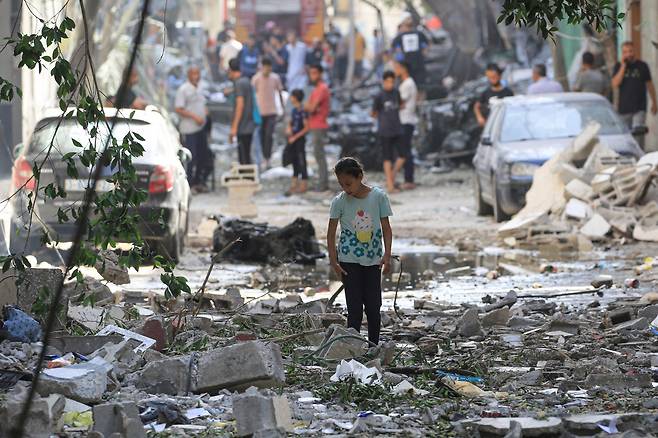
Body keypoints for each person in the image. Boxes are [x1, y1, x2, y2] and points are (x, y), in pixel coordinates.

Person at [327, 157, 393, 345]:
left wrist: (387, 255)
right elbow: (331, 234)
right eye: (341, 184)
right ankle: (352, 347)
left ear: (360, 176)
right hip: (348, 261)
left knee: (373, 306)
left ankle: (373, 345)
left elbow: (386, 229)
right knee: (354, 307)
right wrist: (334, 261)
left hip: (373, 260)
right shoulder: (339, 202)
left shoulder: (378, 197)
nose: (345, 188)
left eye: (348, 183)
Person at [612, 41, 657, 138]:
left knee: (638, 135)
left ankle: (640, 153)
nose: (628, 54)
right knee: (626, 137)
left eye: (630, 51)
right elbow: (615, 84)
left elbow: (650, 85)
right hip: (624, 109)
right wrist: (623, 66)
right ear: (622, 54)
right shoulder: (618, 66)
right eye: (625, 52)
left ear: (634, 51)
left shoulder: (642, 66)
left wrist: (654, 102)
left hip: (639, 107)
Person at [175, 66, 209, 188]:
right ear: (189, 75)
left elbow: (203, 103)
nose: (196, 76)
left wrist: (204, 112)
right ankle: (187, 184)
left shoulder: (201, 87)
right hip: (188, 129)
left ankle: (197, 182)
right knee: (190, 157)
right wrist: (194, 116)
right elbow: (178, 108)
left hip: (200, 128)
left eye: (197, 74)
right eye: (193, 74)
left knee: (202, 155)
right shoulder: (183, 90)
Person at [372, 71, 404, 193]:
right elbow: (373, 113)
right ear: (383, 81)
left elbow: (401, 104)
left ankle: (391, 177)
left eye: (392, 81)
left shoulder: (396, 93)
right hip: (385, 130)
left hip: (397, 128)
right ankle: (390, 185)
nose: (390, 84)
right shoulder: (379, 96)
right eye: (388, 81)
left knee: (402, 155)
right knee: (387, 157)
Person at [252, 58, 285, 170]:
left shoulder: (275, 78)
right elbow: (252, 94)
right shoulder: (256, 78)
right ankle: (263, 158)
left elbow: (280, 93)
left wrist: (283, 108)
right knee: (261, 136)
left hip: (272, 112)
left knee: (269, 135)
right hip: (260, 112)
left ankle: (268, 158)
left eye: (269, 67)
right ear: (262, 67)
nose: (267, 70)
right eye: (265, 67)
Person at [305, 64, 331, 192]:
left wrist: (307, 106)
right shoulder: (316, 90)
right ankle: (322, 182)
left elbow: (311, 107)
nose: (312, 76)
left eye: (315, 73)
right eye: (311, 73)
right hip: (315, 124)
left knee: (319, 155)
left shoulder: (322, 88)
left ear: (320, 74)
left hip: (319, 125)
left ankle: (323, 183)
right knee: (318, 154)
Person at [228, 58, 256, 164]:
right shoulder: (246, 81)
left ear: (231, 70)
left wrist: (234, 128)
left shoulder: (238, 83)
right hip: (249, 125)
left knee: (243, 157)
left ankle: (246, 179)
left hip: (242, 127)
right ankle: (248, 177)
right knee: (247, 155)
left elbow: (240, 105)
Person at [391, 15, 429, 93]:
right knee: (420, 86)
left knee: (413, 86)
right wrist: (424, 53)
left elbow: (394, 48)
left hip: (409, 64)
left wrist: (399, 56)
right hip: (417, 63)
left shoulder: (401, 36)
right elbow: (427, 44)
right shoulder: (418, 34)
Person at [396, 61, 418, 190]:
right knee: (405, 150)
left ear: (403, 69)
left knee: (406, 151)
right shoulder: (405, 83)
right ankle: (407, 178)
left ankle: (409, 179)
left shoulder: (408, 84)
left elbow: (400, 102)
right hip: (404, 120)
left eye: (397, 67)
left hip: (406, 120)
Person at [285, 89, 309, 195]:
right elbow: (291, 122)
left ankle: (304, 183)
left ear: (295, 97)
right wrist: (289, 128)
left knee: (301, 161)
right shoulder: (294, 110)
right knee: (294, 160)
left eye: (292, 96)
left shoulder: (303, 111)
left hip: (299, 140)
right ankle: (294, 184)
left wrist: (295, 137)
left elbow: (306, 128)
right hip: (293, 139)